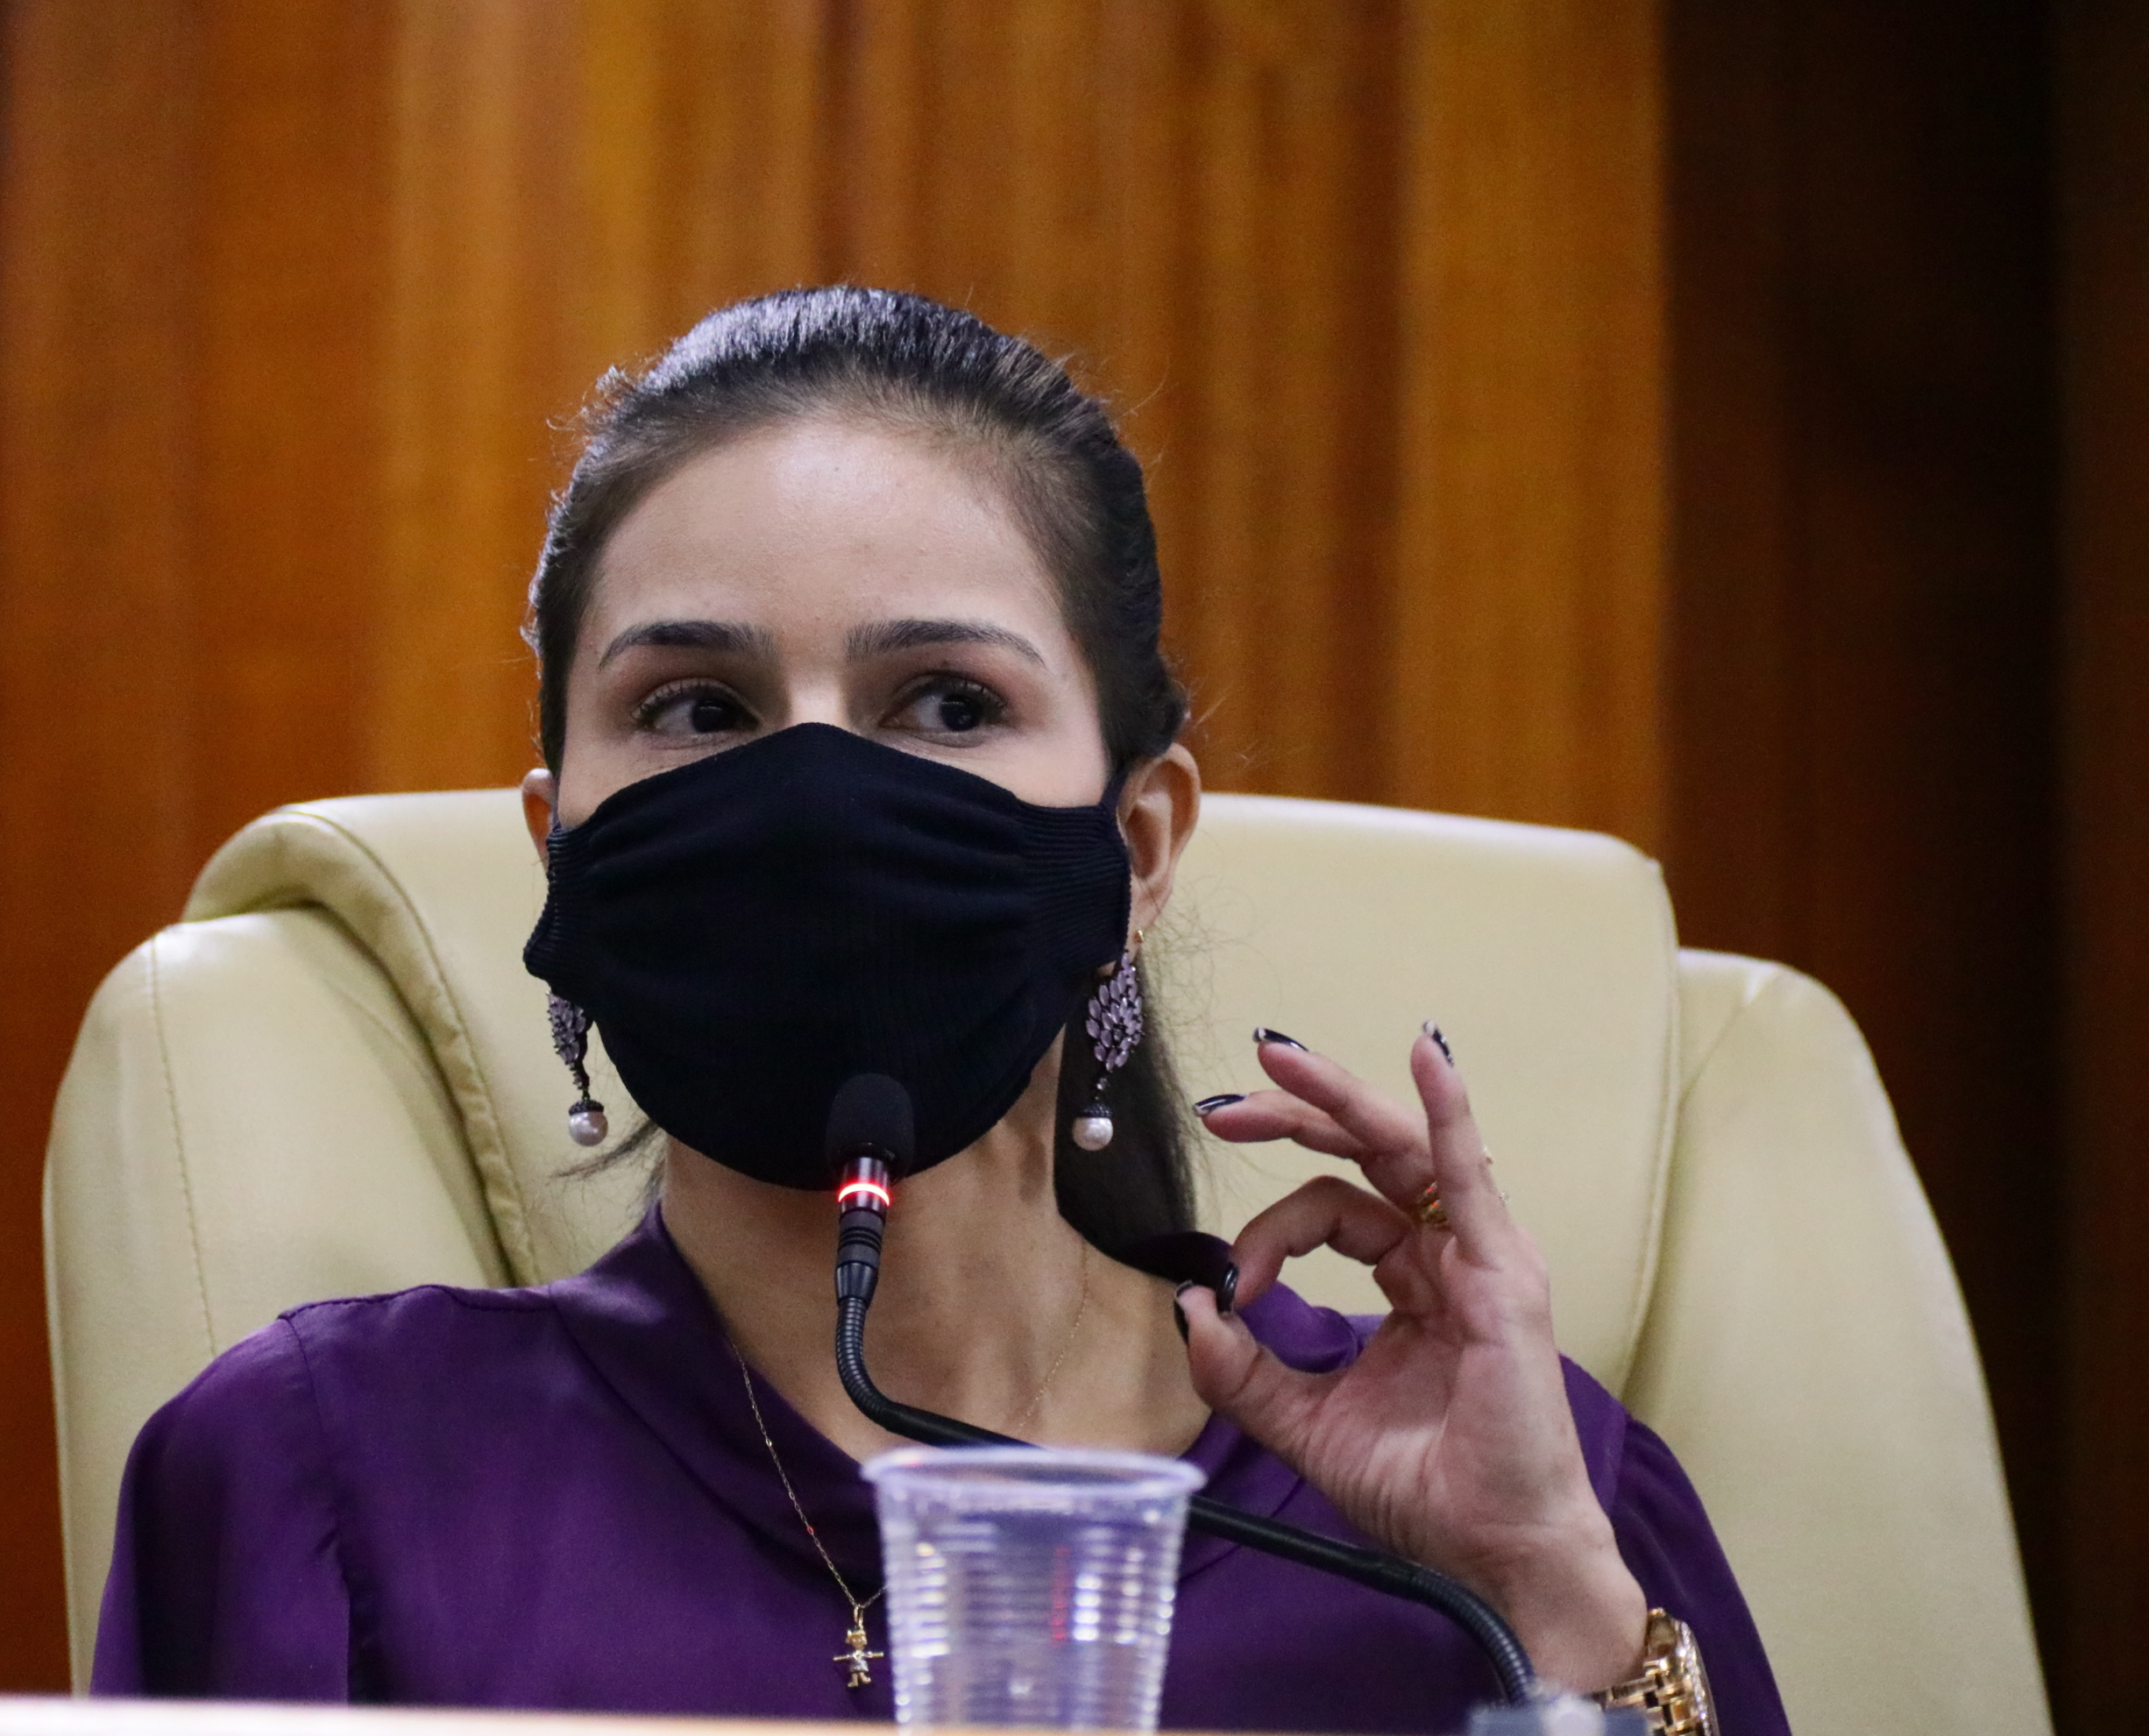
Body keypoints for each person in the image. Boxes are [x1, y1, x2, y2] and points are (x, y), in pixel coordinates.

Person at [92, 287, 1786, 1734]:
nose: (814, 796)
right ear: (562, 848)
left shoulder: (1512, 1470)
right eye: (697, 708)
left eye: (948, 705)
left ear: (1135, 849)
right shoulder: (320, 1475)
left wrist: (1547, 1600)